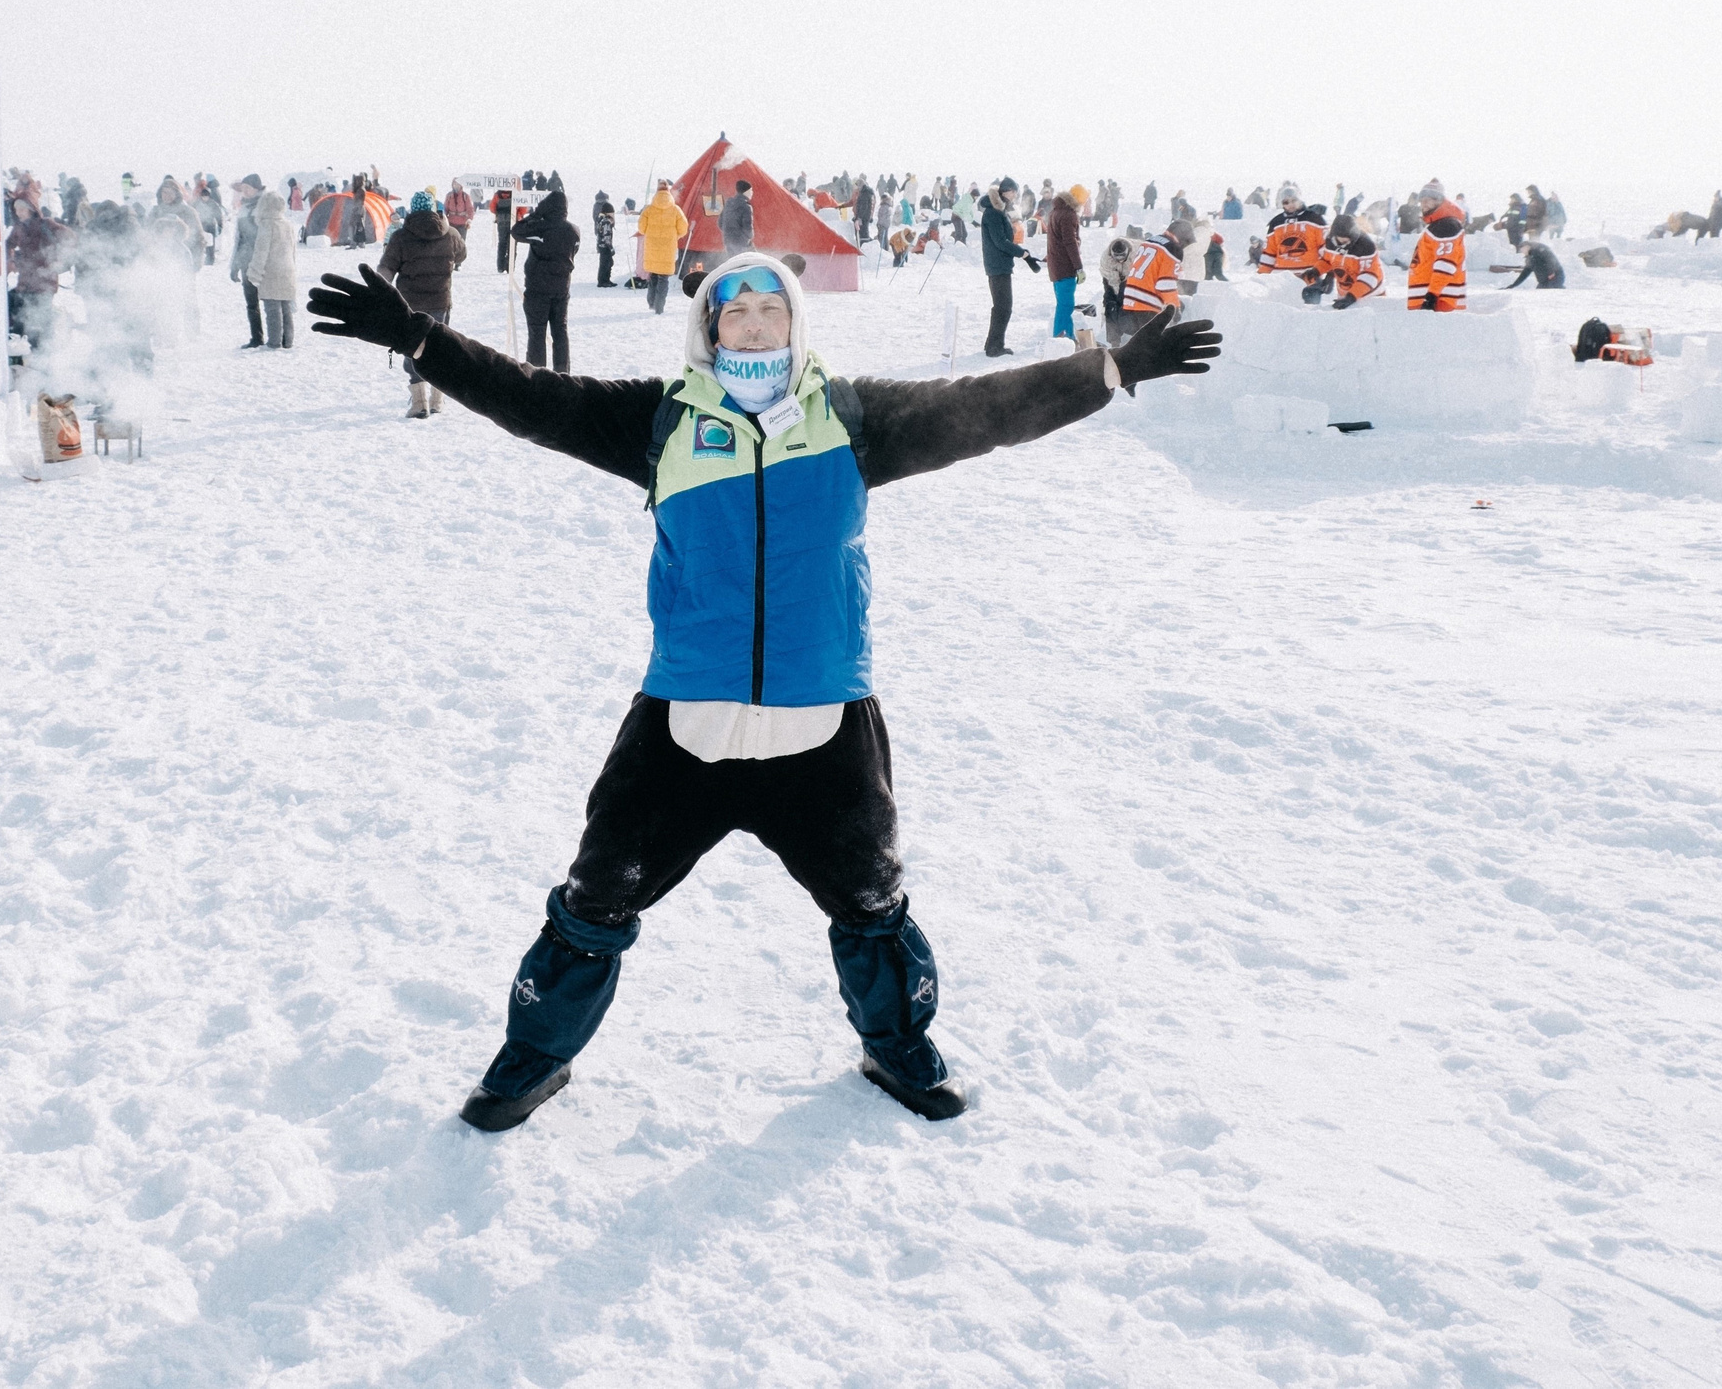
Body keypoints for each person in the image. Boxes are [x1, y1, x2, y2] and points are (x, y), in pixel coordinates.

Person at [303, 251, 1225, 1131]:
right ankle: (536, 1055)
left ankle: (897, 1046)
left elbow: (986, 407)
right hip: (685, 718)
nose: (750, 323)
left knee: (871, 899)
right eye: (731, 311)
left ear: (793, 320)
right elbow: (534, 399)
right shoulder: (660, 421)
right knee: (597, 896)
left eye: (768, 308)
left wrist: (1110, 370)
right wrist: (421, 338)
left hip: (821, 716)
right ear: (710, 327)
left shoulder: (853, 418)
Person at [376, 188, 466, 417]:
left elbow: (386, 268)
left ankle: (419, 404)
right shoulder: (451, 234)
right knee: (439, 347)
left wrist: (380, 287)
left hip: (410, 304)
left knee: (412, 349)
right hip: (440, 303)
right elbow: (462, 255)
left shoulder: (400, 237)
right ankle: (437, 401)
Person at [510, 187, 580, 371]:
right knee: (560, 332)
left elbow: (516, 231)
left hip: (537, 290)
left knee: (537, 333)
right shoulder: (574, 231)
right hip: (562, 289)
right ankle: (563, 374)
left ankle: (536, 376)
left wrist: (536, 214)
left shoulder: (541, 228)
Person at [978, 178, 1038, 357]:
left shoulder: (997, 210)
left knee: (1000, 306)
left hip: (999, 264)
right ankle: (995, 347)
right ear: (1005, 191)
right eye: (1013, 191)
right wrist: (1022, 253)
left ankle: (991, 343)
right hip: (997, 265)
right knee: (1004, 307)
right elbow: (1000, 242)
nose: (1015, 195)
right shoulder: (994, 213)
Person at [6, 198, 73, 350]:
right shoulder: (19, 228)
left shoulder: (46, 224)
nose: (19, 213)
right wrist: (12, 259)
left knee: (41, 321)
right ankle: (25, 353)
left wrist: (56, 258)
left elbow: (70, 237)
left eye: (22, 209)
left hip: (44, 283)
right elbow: (8, 244)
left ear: (31, 209)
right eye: (16, 210)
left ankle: (44, 354)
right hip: (25, 282)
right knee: (22, 319)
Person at [245, 182, 298, 349]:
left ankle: (274, 342)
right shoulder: (287, 224)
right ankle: (287, 341)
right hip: (287, 270)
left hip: (272, 272)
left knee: (273, 309)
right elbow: (293, 250)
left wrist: (253, 273)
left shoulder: (267, 225)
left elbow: (261, 252)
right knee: (286, 308)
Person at [1407, 190, 1467, 312]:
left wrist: (1431, 297)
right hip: (1434, 301)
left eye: (1427, 200)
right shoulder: (1439, 224)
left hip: (1439, 302)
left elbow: (1445, 265)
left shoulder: (1445, 226)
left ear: (1438, 201)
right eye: (1421, 201)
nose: (1423, 204)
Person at [227, 174, 269, 347]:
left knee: (271, 300)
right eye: (242, 189)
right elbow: (239, 239)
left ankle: (277, 337)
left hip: (264, 260)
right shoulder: (243, 208)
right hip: (246, 260)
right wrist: (234, 265)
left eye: (247, 188)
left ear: (256, 188)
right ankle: (256, 338)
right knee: (251, 303)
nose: (244, 192)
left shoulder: (266, 206)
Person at [638, 184, 686, 315]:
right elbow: (683, 228)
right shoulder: (675, 210)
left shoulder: (648, 210)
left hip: (652, 247)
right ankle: (659, 307)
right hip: (668, 248)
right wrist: (674, 236)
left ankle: (651, 303)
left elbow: (641, 228)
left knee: (653, 275)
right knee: (663, 278)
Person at [1047, 185, 1085, 344]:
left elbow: (1054, 241)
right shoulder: (1069, 215)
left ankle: (1069, 337)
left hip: (1055, 266)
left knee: (1063, 304)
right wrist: (1079, 267)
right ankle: (1060, 338)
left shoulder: (1055, 212)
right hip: (1065, 267)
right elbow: (1070, 243)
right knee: (1066, 306)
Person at [723, 179, 756, 257]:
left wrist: (730, 232)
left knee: (734, 263)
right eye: (751, 190)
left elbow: (721, 222)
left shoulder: (729, 203)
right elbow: (747, 226)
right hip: (742, 243)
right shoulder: (746, 206)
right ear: (746, 191)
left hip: (728, 240)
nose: (752, 192)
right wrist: (749, 236)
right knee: (751, 261)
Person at [592, 190, 618, 286]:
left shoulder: (600, 219)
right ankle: (604, 281)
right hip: (605, 246)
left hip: (601, 244)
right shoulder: (606, 222)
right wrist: (611, 248)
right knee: (606, 264)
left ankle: (604, 280)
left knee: (605, 263)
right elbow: (607, 236)